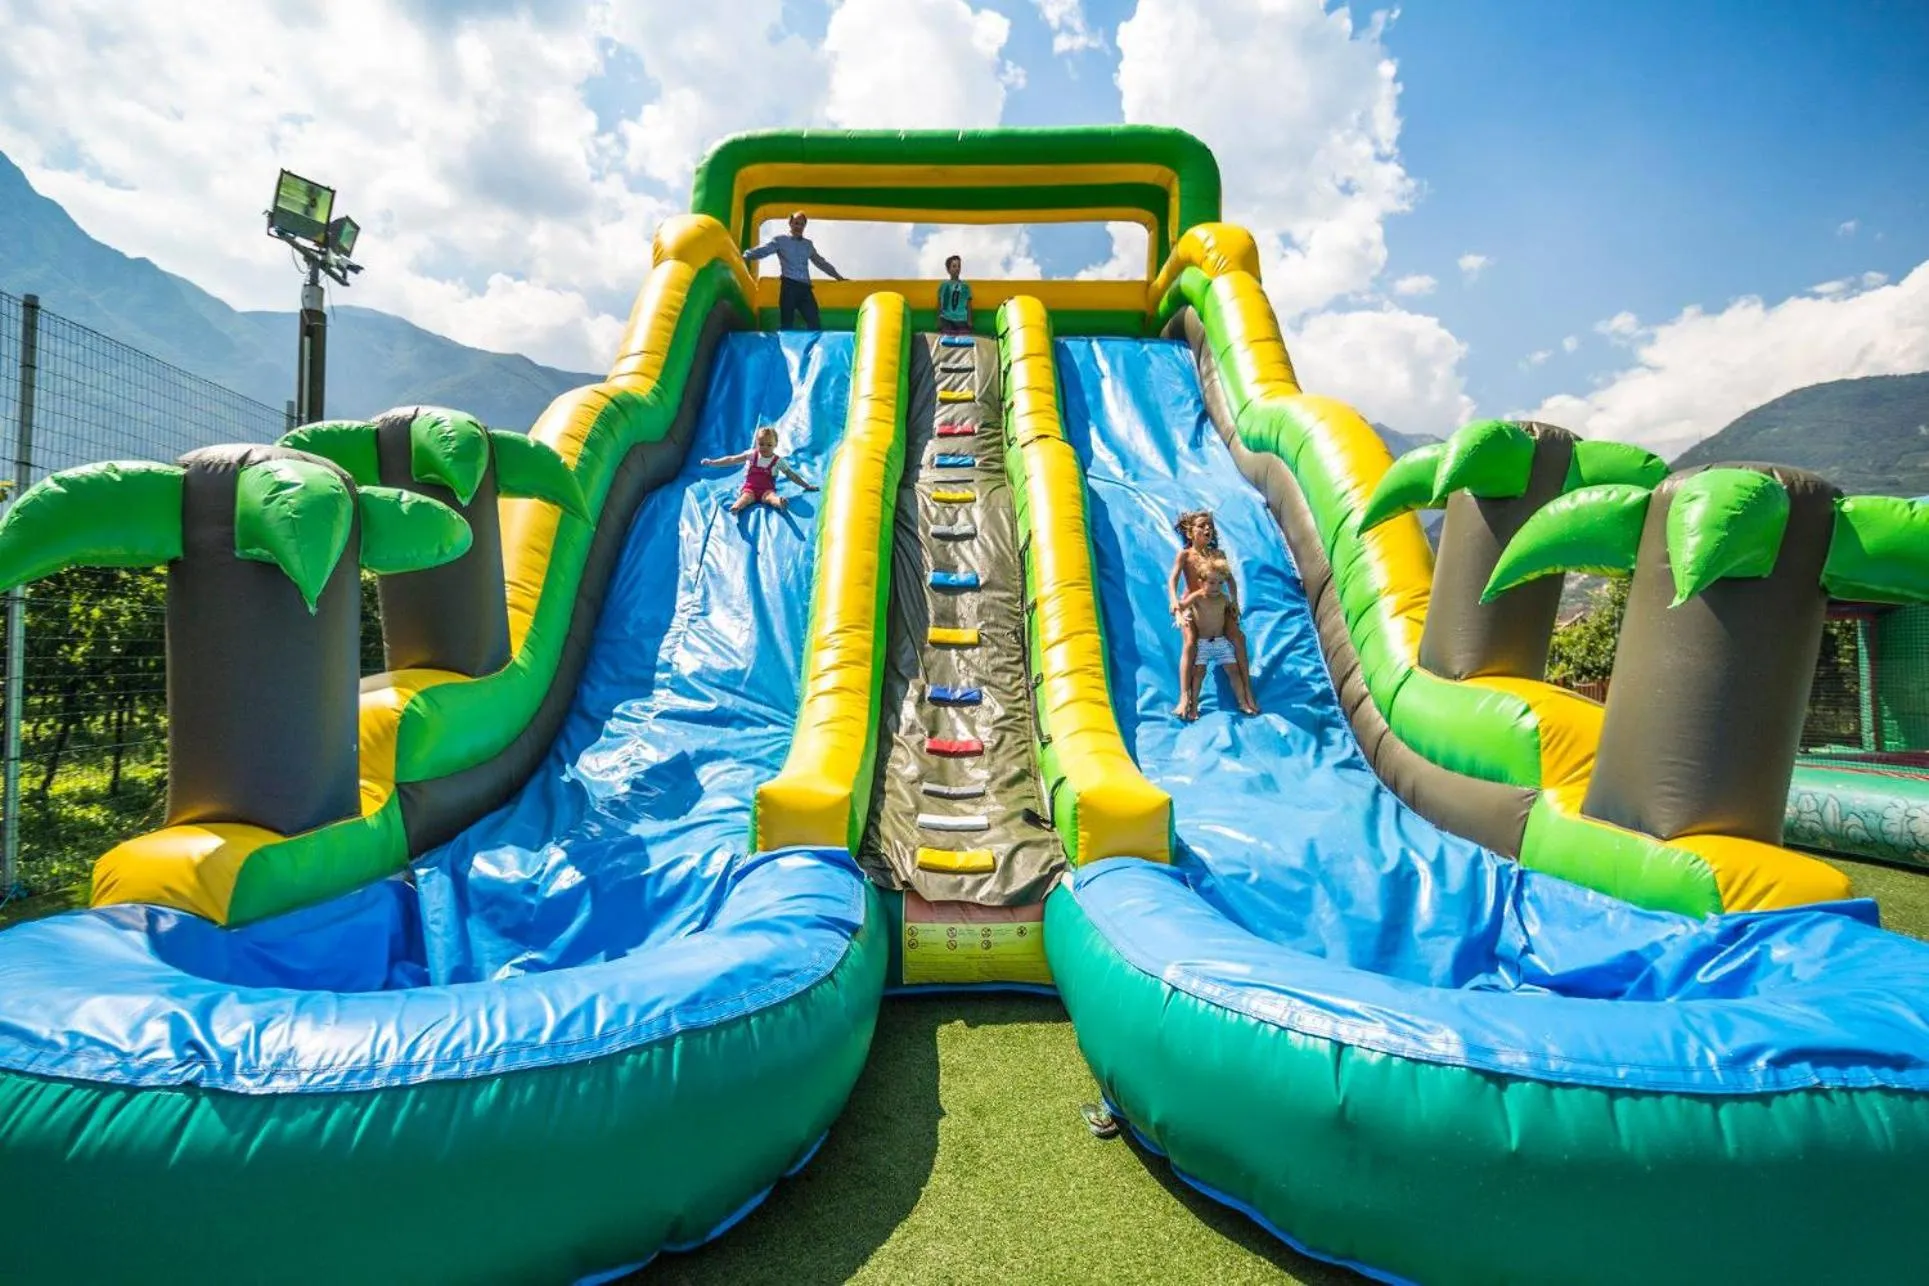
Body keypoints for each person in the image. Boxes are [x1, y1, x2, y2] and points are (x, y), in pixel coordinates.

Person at [1168, 510, 1259, 718]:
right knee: (1190, 642)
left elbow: (1230, 581)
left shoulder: (1218, 555)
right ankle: (1184, 697)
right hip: (1193, 604)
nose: (1207, 529)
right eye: (1202, 525)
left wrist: (1234, 602)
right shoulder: (1185, 555)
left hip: (1217, 603)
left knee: (1238, 637)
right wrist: (1175, 603)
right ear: (1190, 533)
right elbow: (1173, 580)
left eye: (1210, 526)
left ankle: (1247, 691)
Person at [1179, 551, 1260, 718]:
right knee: (1198, 674)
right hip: (1202, 644)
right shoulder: (1197, 597)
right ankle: (1193, 706)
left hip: (1220, 642)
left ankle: (1243, 703)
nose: (1216, 587)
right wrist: (1182, 614)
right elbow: (1181, 606)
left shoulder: (1223, 598)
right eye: (1212, 583)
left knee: (1234, 671)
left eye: (1220, 583)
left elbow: (1231, 610)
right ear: (1201, 583)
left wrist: (1234, 609)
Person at [743, 212, 845, 330]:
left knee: (814, 322)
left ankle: (813, 347)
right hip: (789, 287)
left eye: (801, 224)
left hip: (805, 289)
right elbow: (764, 251)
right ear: (790, 223)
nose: (798, 227)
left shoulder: (808, 244)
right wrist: (745, 256)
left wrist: (837, 276)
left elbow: (820, 262)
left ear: (804, 226)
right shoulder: (780, 240)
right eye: (796, 223)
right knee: (787, 323)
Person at [702, 426, 818, 513]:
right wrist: (713, 462)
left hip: (767, 490)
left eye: (769, 445)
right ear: (756, 443)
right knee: (745, 498)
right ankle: (737, 507)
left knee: (771, 498)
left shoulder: (778, 461)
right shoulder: (752, 455)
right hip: (750, 488)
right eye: (761, 444)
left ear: (775, 444)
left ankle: (780, 503)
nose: (764, 447)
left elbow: (791, 475)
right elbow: (732, 459)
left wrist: (806, 486)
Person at [937, 255, 972, 334]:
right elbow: (940, 304)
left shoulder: (965, 286)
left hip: (961, 319)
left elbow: (968, 305)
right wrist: (939, 320)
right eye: (954, 266)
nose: (957, 268)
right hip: (947, 319)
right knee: (947, 338)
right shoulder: (944, 285)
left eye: (959, 266)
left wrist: (969, 321)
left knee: (963, 339)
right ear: (948, 269)